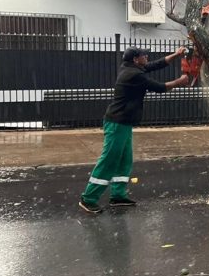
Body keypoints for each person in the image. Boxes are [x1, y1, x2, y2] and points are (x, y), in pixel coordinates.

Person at [78, 47, 189, 214]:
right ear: (136, 59)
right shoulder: (134, 75)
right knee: (109, 160)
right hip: (117, 123)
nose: (146, 57)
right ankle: (88, 199)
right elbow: (158, 87)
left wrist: (176, 54)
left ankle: (118, 196)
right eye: (144, 55)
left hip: (124, 123)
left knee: (124, 160)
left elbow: (155, 65)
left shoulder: (131, 67)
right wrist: (179, 82)